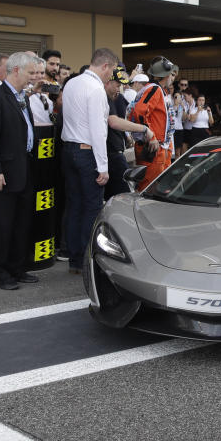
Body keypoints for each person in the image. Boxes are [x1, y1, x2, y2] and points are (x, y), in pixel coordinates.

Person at [0, 51, 39, 290]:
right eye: (30, 72)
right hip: (2, 173)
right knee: (1, 225)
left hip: (23, 169)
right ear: (15, 71)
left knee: (20, 223)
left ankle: (16, 268)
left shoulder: (23, 97)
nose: (34, 77)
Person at [60, 48, 118, 274]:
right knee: (91, 208)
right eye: (112, 71)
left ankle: (75, 260)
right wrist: (103, 167)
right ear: (105, 66)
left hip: (69, 150)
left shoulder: (72, 83)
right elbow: (98, 130)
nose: (111, 76)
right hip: (87, 152)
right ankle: (87, 262)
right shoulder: (95, 89)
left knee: (74, 206)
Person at [103, 66, 152, 199]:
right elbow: (114, 122)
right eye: (117, 85)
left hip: (111, 153)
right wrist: (144, 129)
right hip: (110, 154)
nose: (119, 89)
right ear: (107, 82)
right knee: (124, 197)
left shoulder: (112, 98)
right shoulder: (105, 97)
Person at [128, 56, 174, 190]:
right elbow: (139, 112)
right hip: (152, 148)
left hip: (158, 147)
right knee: (149, 188)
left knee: (157, 187)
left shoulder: (157, 90)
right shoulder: (154, 90)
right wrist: (150, 136)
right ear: (166, 74)